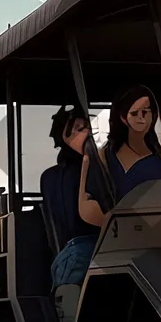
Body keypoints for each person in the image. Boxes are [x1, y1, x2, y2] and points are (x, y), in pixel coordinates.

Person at [78, 84, 161, 226]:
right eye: (135, 113)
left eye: (145, 112)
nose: (141, 118)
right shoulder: (102, 158)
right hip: (111, 238)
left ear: (153, 116)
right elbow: (85, 202)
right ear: (123, 118)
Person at [41, 107, 100, 288]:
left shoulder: (48, 176)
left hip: (64, 260)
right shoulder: (89, 169)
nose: (88, 132)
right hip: (89, 253)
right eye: (80, 128)